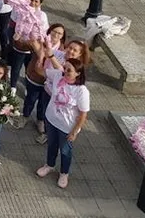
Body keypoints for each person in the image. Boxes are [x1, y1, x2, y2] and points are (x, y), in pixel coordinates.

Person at [36, 43, 90, 189]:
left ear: (77, 73)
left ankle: (64, 173)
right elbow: (42, 72)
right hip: (52, 119)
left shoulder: (81, 91)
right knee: (52, 145)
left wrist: (74, 131)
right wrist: (40, 58)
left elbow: (83, 113)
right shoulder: (58, 75)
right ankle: (49, 164)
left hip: (67, 126)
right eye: (65, 69)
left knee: (65, 150)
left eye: (69, 71)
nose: (65, 72)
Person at [17, 23, 66, 133]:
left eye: (60, 33)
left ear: (62, 36)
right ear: (49, 31)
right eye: (54, 31)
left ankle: (40, 120)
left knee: (43, 103)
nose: (56, 35)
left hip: (49, 82)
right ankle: (25, 116)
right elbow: (24, 44)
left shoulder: (63, 50)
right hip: (34, 78)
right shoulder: (40, 41)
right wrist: (18, 38)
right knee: (30, 99)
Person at [8, 0, 49, 89]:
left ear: (40, 4)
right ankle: (13, 87)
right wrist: (15, 37)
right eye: (32, 0)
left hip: (33, 47)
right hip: (20, 46)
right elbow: (13, 22)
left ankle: (27, 86)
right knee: (16, 67)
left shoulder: (42, 15)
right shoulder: (21, 10)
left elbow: (44, 31)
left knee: (29, 67)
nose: (33, 3)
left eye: (36, 1)